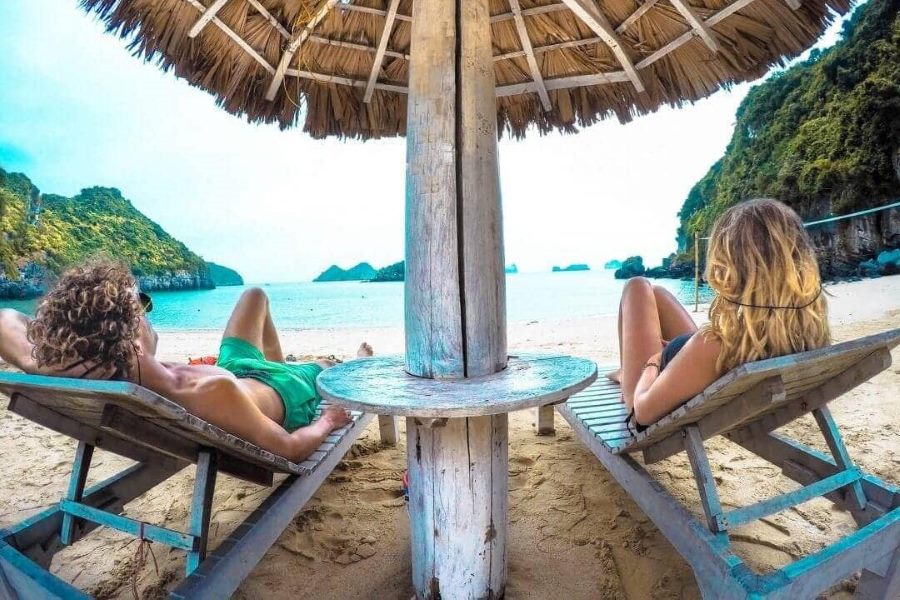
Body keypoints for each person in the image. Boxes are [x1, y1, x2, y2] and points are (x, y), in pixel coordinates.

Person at [0, 258, 373, 462]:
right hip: (281, 392)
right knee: (324, 366)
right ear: (131, 335)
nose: (148, 314)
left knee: (255, 296)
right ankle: (349, 360)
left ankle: (279, 361)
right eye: (140, 308)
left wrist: (68, 346)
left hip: (239, 368)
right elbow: (290, 448)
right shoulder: (210, 390)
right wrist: (326, 421)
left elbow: (6, 321)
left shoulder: (91, 363)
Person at [609, 198, 830, 432]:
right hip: (693, 365)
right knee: (658, 292)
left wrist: (653, 361)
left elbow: (642, 413)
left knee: (636, 285)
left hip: (653, 386)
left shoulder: (713, 344)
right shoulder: (805, 330)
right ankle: (630, 369)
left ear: (732, 266)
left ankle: (627, 376)